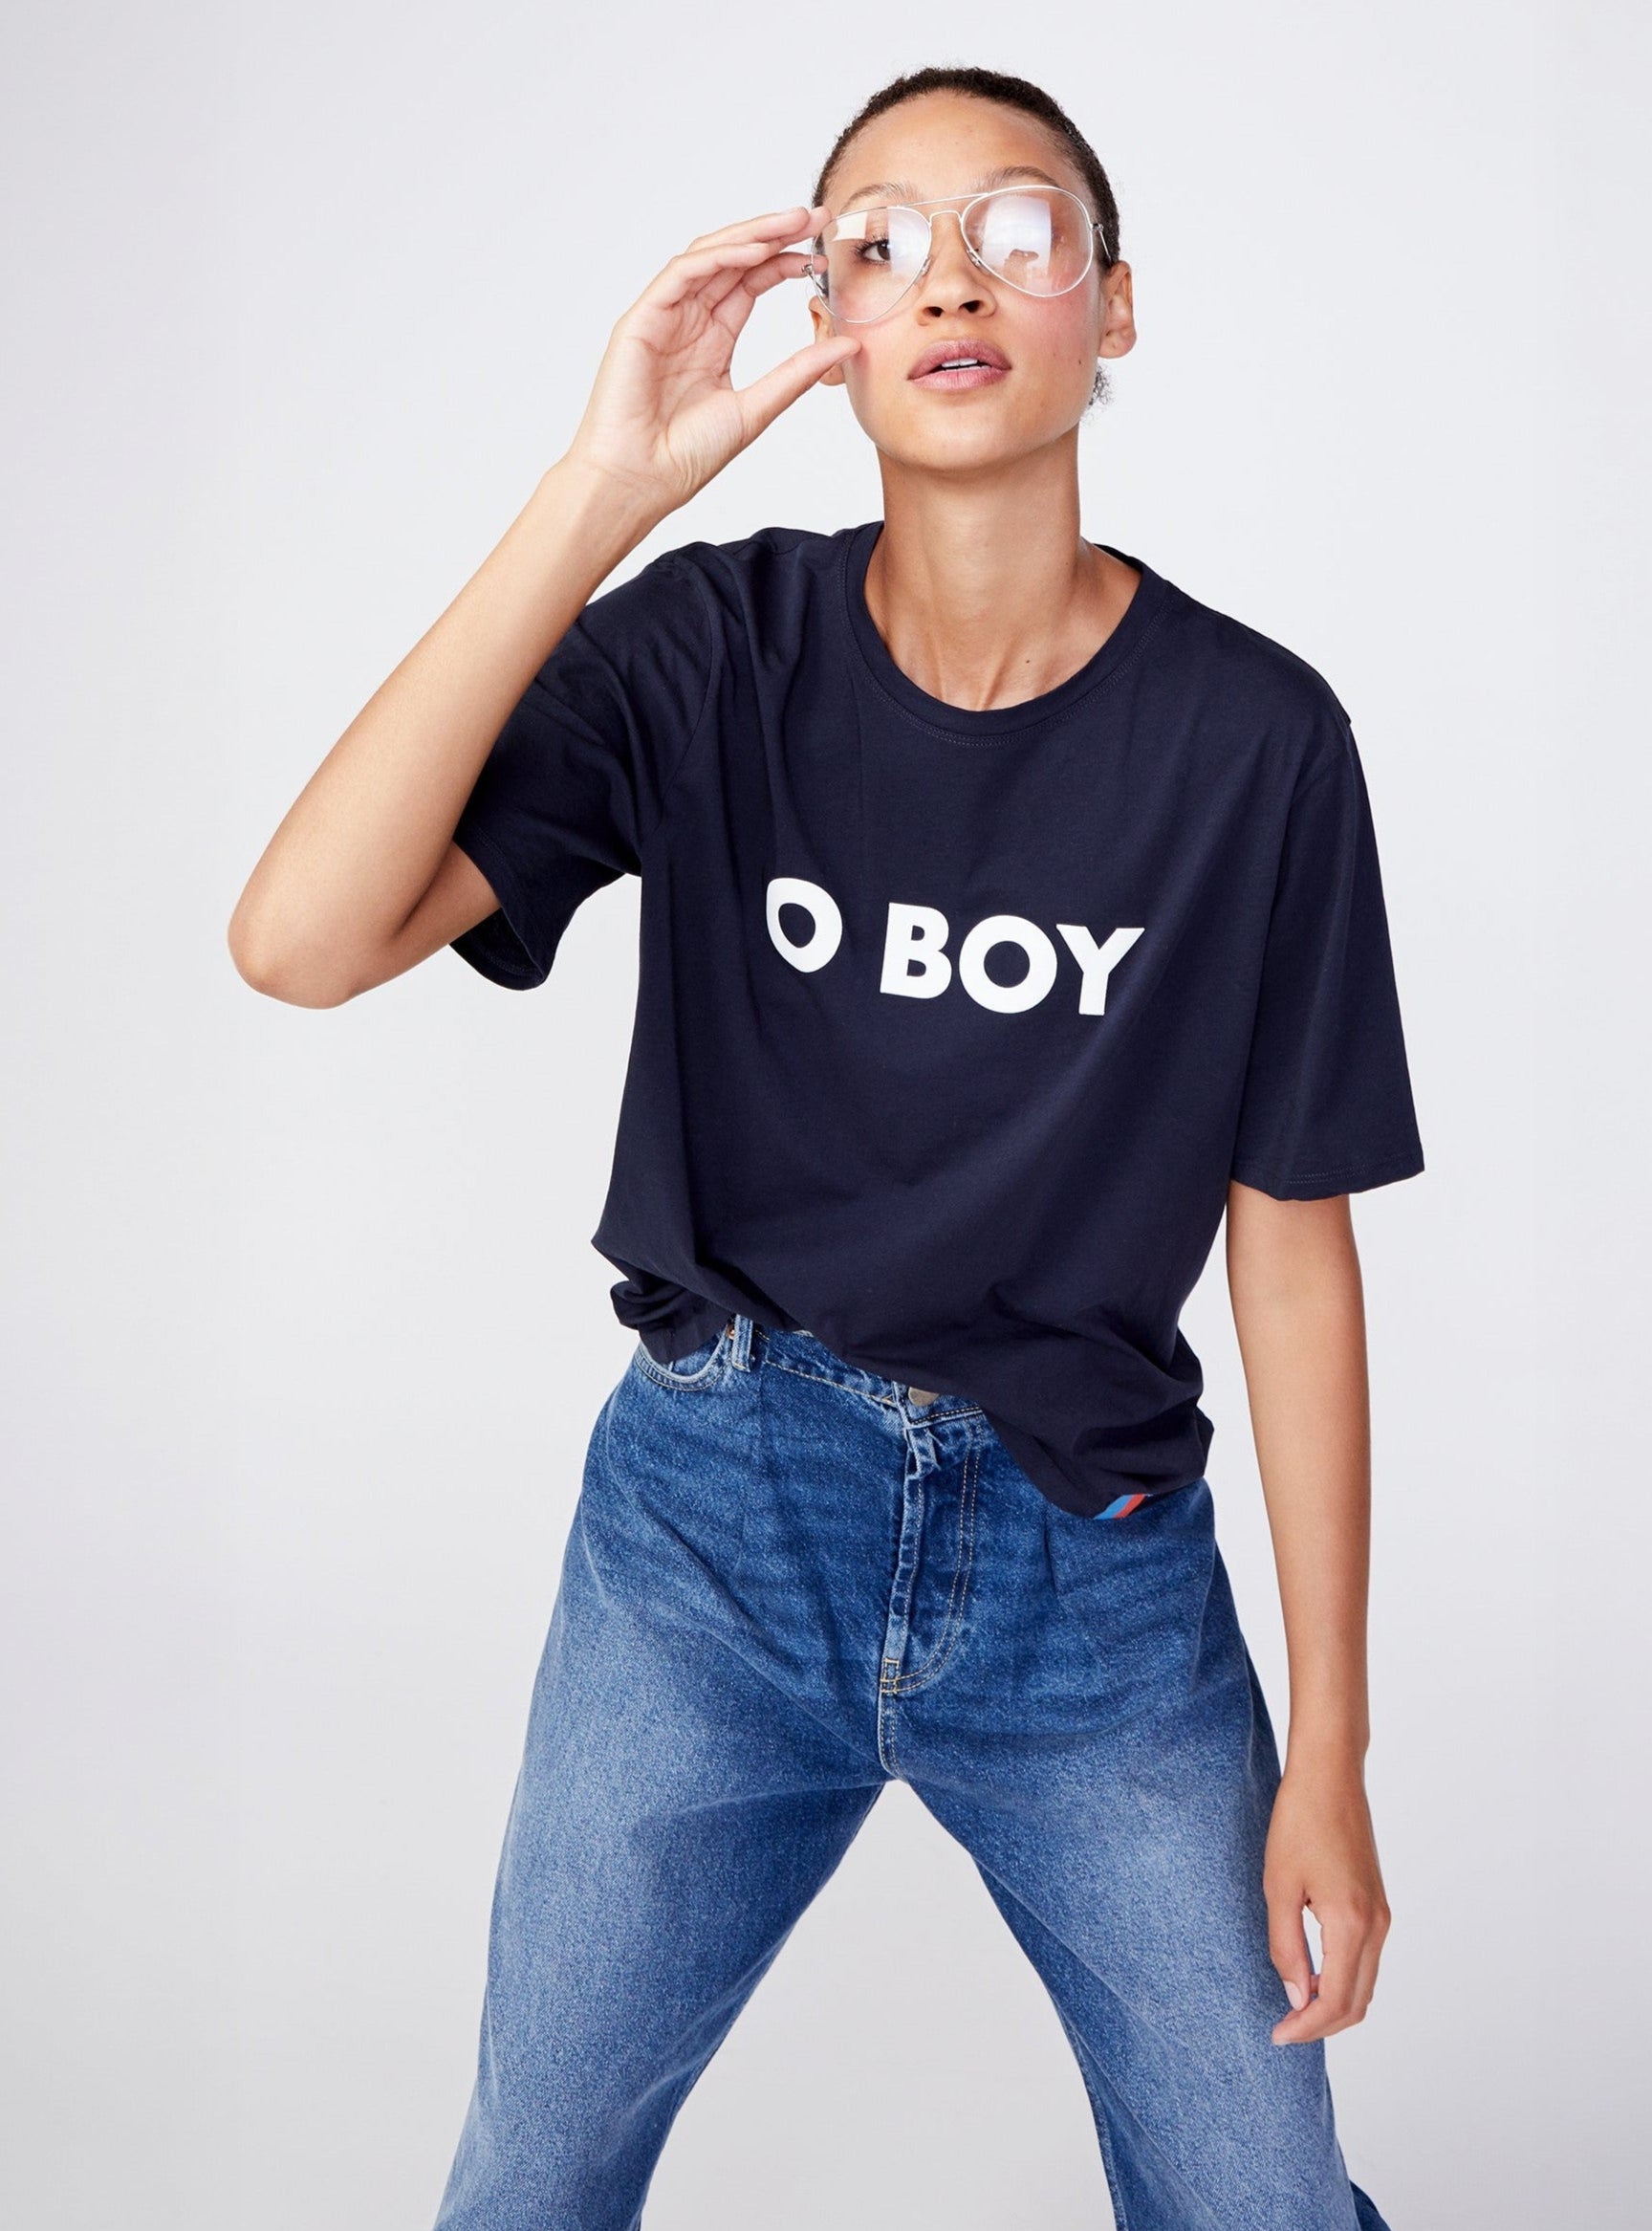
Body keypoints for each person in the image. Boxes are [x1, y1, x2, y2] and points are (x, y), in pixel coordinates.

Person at [229, 61, 1423, 2231]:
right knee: (529, 2179)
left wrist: (1327, 1748)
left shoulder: (1255, 741)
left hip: (1090, 1573)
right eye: (879, 243)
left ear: (1112, 306)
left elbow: (1291, 1240)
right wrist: (606, 489)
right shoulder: (712, 648)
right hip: (711, 1528)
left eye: (1016, 232)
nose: (950, 280)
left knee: (1261, 2200)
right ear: (829, 324)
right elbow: (300, 941)